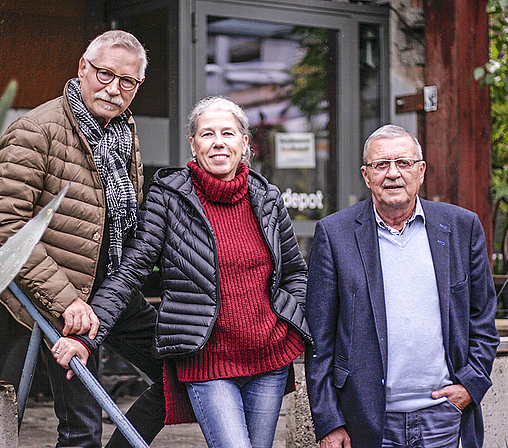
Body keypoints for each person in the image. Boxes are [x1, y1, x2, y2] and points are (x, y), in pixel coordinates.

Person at [53, 95, 314, 448]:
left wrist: (288, 324)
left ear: (245, 143)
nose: (218, 142)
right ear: (193, 144)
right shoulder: (169, 196)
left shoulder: (266, 196)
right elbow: (130, 270)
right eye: (207, 134)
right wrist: (86, 338)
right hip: (207, 361)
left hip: (268, 359)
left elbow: (295, 272)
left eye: (228, 133)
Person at [0, 30, 165, 448]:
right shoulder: (35, 130)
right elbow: (3, 225)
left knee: (180, 377)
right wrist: (68, 301)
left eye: (128, 82)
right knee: (82, 428)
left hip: (112, 292)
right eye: (104, 74)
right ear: (83, 67)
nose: (114, 89)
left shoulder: (122, 133)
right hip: (57, 297)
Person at [304, 124, 499, 448]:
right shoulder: (335, 234)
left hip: (443, 415)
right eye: (381, 165)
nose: (393, 174)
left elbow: (483, 320)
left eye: (403, 163)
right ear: (367, 176)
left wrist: (470, 385)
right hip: (364, 420)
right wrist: (328, 422)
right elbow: (319, 342)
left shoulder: (462, 227)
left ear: (421, 172)